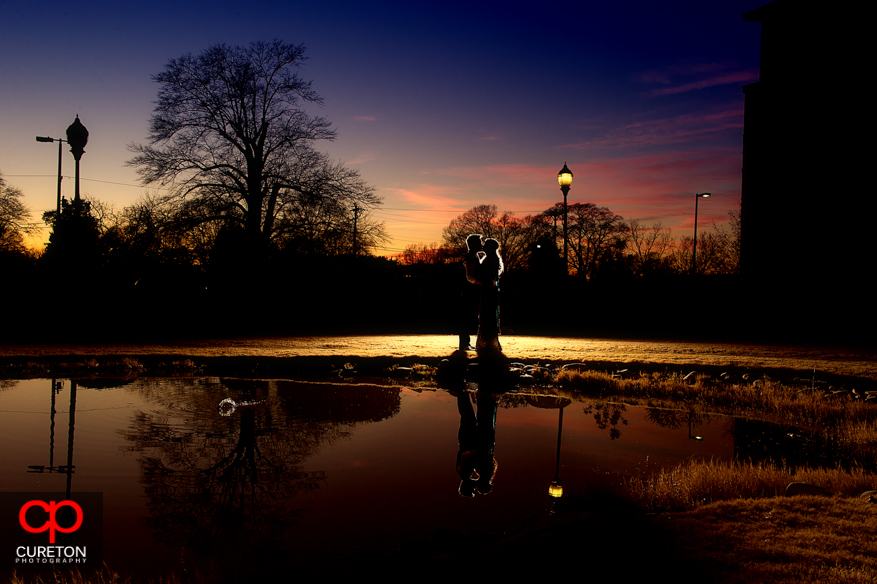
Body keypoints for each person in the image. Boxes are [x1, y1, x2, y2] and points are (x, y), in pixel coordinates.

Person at [476, 238, 503, 351]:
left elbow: (485, 274)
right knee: (489, 315)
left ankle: (488, 342)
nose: (483, 246)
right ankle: (490, 342)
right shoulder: (493, 259)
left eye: (485, 245)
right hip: (491, 290)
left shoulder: (490, 260)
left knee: (487, 315)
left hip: (488, 291)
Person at [459, 234, 484, 351]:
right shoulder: (470, 257)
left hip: (471, 290)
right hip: (470, 291)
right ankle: (464, 344)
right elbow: (470, 277)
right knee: (466, 317)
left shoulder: (474, 256)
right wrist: (483, 283)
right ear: (473, 244)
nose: (482, 244)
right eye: (480, 242)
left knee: (468, 317)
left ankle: (465, 343)